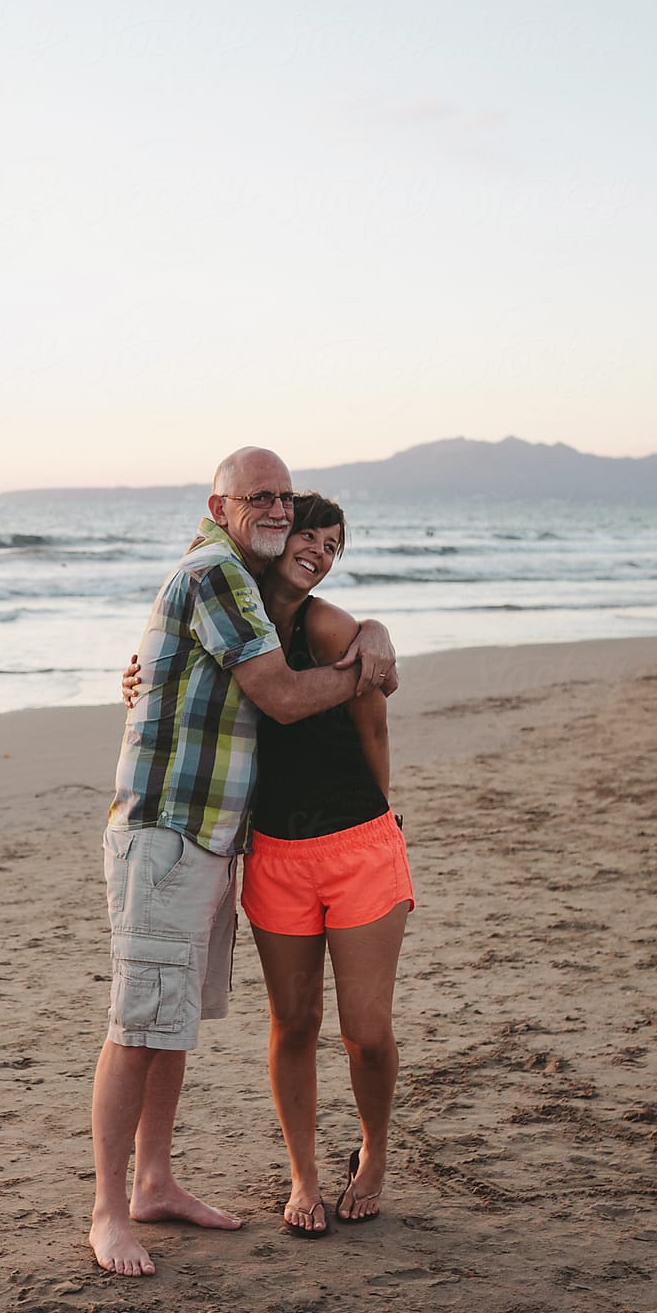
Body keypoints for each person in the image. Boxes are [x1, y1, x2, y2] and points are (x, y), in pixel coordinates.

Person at [90, 448, 398, 1278]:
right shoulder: (220, 578)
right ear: (221, 506)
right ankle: (110, 1213)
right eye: (260, 498)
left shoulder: (249, 592)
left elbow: (189, 680)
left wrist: (370, 636)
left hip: (219, 839)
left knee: (171, 1021)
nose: (277, 511)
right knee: (139, 1024)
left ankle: (153, 1182)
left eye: (284, 498)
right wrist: (368, 669)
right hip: (171, 832)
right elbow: (282, 697)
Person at [243, 494, 413, 1237]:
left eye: (333, 544)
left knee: (366, 1033)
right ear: (277, 534)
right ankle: (304, 1176)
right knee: (294, 1023)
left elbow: (373, 719)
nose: (318, 549)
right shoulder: (232, 618)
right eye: (307, 533)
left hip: (358, 845)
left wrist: (378, 817)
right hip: (275, 852)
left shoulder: (328, 626)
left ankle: (372, 1155)